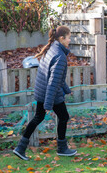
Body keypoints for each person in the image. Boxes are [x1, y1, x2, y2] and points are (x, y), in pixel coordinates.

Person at [13, 25, 77, 160]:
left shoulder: (52, 48)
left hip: (42, 91)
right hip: (50, 94)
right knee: (64, 116)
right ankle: (62, 148)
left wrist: (66, 90)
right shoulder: (59, 56)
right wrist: (48, 105)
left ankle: (20, 147)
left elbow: (54, 77)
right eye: (69, 38)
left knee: (38, 117)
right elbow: (53, 81)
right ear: (61, 38)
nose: (70, 40)